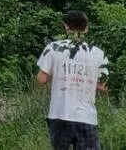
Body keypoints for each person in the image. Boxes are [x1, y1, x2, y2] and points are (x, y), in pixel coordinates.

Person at [37, 10, 109, 150]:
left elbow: (41, 79)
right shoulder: (98, 53)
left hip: (59, 114)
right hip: (86, 117)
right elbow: (104, 87)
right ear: (86, 28)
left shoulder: (53, 48)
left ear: (66, 27)